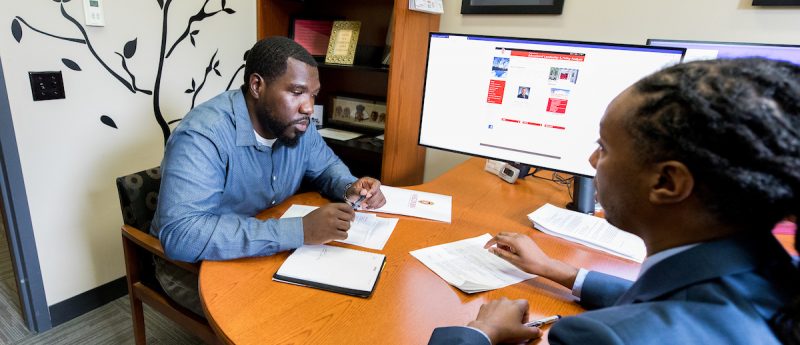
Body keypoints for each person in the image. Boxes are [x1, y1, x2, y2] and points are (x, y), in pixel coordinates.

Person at [429, 58, 800, 344]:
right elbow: (675, 298)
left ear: (667, 182)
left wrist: (480, 332)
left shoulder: (604, 338)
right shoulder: (782, 275)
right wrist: (560, 271)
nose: (592, 161)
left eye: (603, 148)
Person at [150, 37, 386, 316]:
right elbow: (183, 236)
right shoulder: (203, 135)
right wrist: (299, 231)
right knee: (293, 317)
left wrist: (350, 188)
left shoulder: (298, 123)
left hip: (267, 249)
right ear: (257, 86)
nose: (309, 107)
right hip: (196, 267)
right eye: (297, 92)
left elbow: (325, 167)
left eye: (313, 94)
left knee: (344, 306)